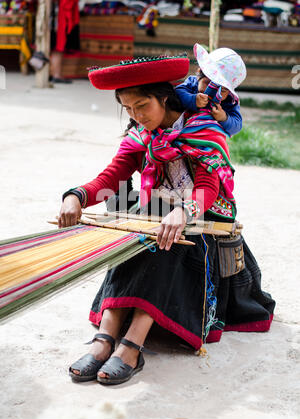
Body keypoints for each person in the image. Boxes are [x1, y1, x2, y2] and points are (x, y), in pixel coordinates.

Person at [58, 55, 275, 385]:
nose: (137, 116)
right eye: (128, 109)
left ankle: (132, 344)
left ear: (166, 97)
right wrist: (77, 195)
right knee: (131, 213)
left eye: (142, 105)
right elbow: (111, 176)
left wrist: (182, 211)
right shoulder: (142, 136)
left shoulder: (204, 129)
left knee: (169, 232)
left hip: (202, 223)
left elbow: (206, 188)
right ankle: (105, 338)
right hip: (159, 216)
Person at [175, 44, 247, 137]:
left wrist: (224, 117)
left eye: (223, 90)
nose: (214, 92)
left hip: (208, 140)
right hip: (182, 132)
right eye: (209, 84)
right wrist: (193, 99)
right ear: (199, 73)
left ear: (229, 91)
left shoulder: (229, 102)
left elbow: (237, 125)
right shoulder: (192, 83)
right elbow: (177, 93)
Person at [50, 0, 80, 84]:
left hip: (55, 15)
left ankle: (53, 74)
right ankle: (56, 75)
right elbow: (67, 4)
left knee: (56, 47)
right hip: (59, 17)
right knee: (58, 46)